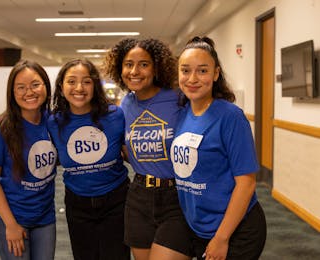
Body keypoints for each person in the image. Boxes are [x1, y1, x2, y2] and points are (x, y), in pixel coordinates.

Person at [171, 36, 267, 260]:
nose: (192, 78)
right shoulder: (182, 114)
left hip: (236, 230)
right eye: (185, 71)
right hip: (198, 226)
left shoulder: (230, 117)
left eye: (202, 71)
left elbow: (247, 183)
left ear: (215, 74)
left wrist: (222, 238)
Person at [104, 38, 192, 260]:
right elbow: (125, 147)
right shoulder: (126, 104)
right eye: (128, 64)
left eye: (144, 64)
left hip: (176, 195)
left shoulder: (178, 98)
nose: (135, 71)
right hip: (139, 195)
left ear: (156, 68)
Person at [47, 58, 130, 260]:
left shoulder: (115, 115)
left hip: (116, 199)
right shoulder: (53, 122)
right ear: (61, 86)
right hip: (77, 202)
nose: (79, 88)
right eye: (71, 81)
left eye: (86, 81)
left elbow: (130, 153)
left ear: (95, 85)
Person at [0, 60, 57, 259]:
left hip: (44, 215)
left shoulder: (53, 122)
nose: (29, 92)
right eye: (20, 87)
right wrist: (11, 225)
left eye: (35, 85)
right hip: (11, 216)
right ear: (12, 93)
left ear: (46, 88)